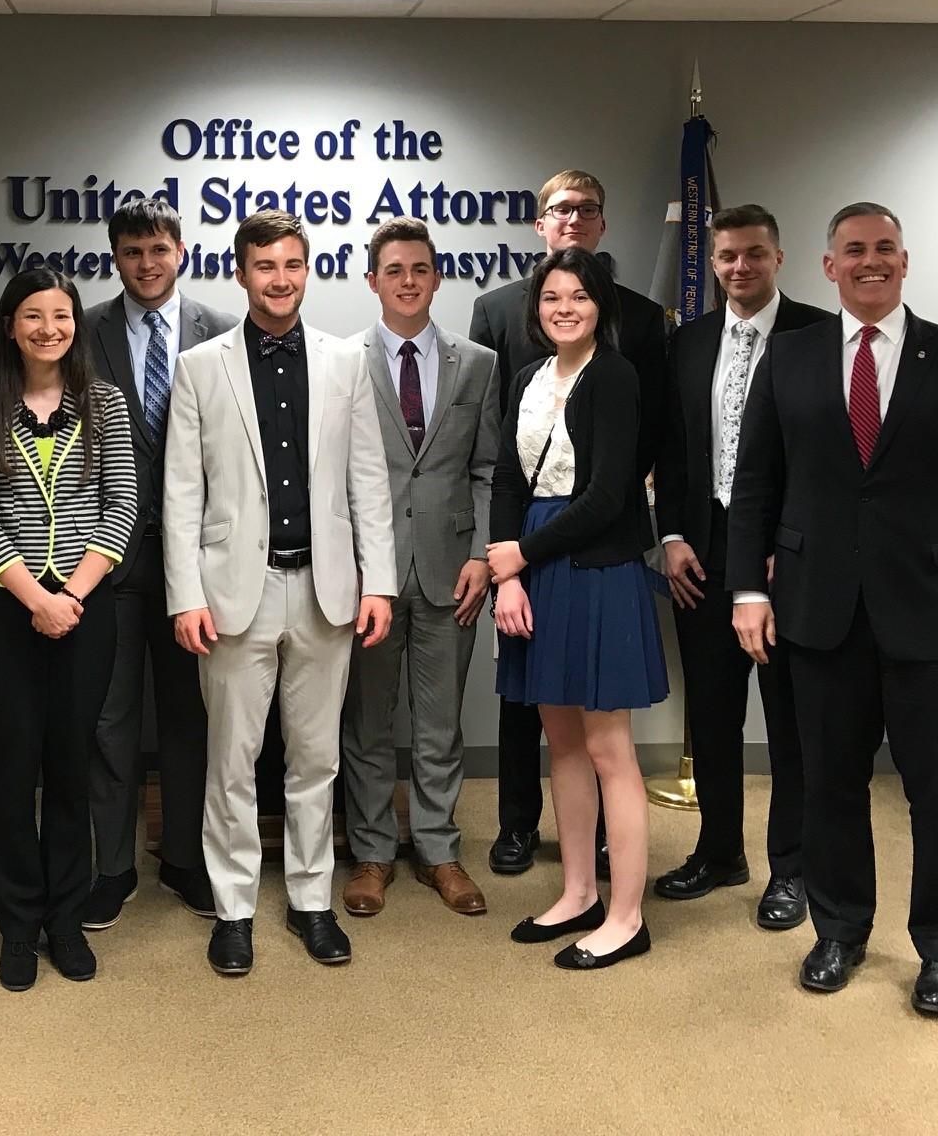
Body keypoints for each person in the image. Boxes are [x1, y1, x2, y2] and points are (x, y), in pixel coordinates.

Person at [729, 202, 938, 1018]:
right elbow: (755, 484)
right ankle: (839, 931)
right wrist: (749, 591)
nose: (871, 261)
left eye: (885, 249)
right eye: (854, 250)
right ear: (827, 267)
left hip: (936, 618)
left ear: (907, 260)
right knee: (829, 783)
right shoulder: (787, 358)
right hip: (818, 611)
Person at [164, 210, 395, 977]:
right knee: (231, 761)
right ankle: (232, 909)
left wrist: (379, 584)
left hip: (327, 590)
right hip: (236, 593)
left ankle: (310, 899)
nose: (280, 278)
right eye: (265, 266)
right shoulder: (201, 365)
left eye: (292, 264)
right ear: (241, 272)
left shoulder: (345, 362)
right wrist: (185, 595)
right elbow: (179, 494)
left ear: (308, 269)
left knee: (316, 758)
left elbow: (368, 480)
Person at [469, 169, 666, 877]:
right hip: (530, 553)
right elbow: (500, 464)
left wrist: (517, 553)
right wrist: (505, 569)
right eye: (552, 296)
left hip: (593, 542)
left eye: (579, 296)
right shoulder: (510, 344)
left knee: (602, 739)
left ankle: (615, 882)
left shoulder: (630, 344)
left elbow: (633, 457)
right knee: (548, 723)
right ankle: (532, 839)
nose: (564, 306)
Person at [0, 270, 138, 991]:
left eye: (61, 316)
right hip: (6, 610)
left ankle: (64, 919)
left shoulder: (106, 405)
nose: (48, 329)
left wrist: (71, 597)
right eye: (33, 316)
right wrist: (35, 596)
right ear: (10, 325)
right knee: (9, 767)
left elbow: (121, 505)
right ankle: (16, 922)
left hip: (84, 612)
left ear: (75, 325)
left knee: (70, 765)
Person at [651, 204, 831, 930]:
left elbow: (831, 457)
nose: (739, 268)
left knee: (789, 722)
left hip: (785, 557)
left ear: (778, 257)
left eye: (753, 254)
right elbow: (669, 448)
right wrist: (670, 537)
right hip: (701, 552)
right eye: (726, 256)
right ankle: (721, 851)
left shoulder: (820, 335)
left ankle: (791, 868)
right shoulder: (688, 342)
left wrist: (791, 543)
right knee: (714, 716)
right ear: (714, 261)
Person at [340, 217, 499, 920]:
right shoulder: (341, 363)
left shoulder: (478, 362)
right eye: (394, 270)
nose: (408, 281)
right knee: (368, 724)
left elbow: (489, 469)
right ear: (372, 280)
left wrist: (481, 556)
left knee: (439, 726)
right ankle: (372, 854)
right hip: (367, 575)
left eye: (420, 269)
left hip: (450, 571)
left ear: (437, 277)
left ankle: (438, 850)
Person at [83, 197, 235, 928]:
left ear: (182, 250)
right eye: (132, 252)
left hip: (196, 565)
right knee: (110, 722)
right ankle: (112, 868)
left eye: (158, 249)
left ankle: (183, 859)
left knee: (188, 719)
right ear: (116, 258)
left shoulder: (224, 333)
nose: (147, 263)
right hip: (104, 560)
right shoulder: (82, 332)